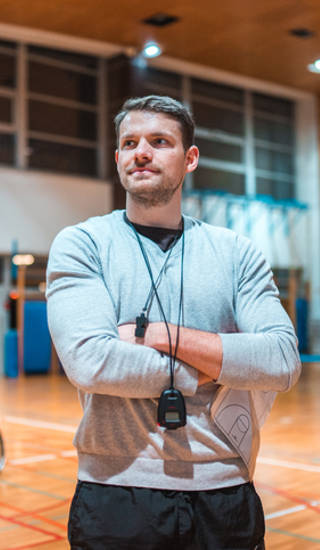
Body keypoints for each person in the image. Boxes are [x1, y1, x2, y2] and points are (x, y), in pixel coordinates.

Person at [46, 95, 301, 549]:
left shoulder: (236, 252)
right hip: (115, 493)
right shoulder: (82, 244)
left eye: (159, 141)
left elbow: (281, 360)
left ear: (190, 159)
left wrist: (153, 335)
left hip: (225, 491)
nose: (141, 152)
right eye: (130, 142)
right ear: (118, 156)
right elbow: (91, 362)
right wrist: (217, 366)